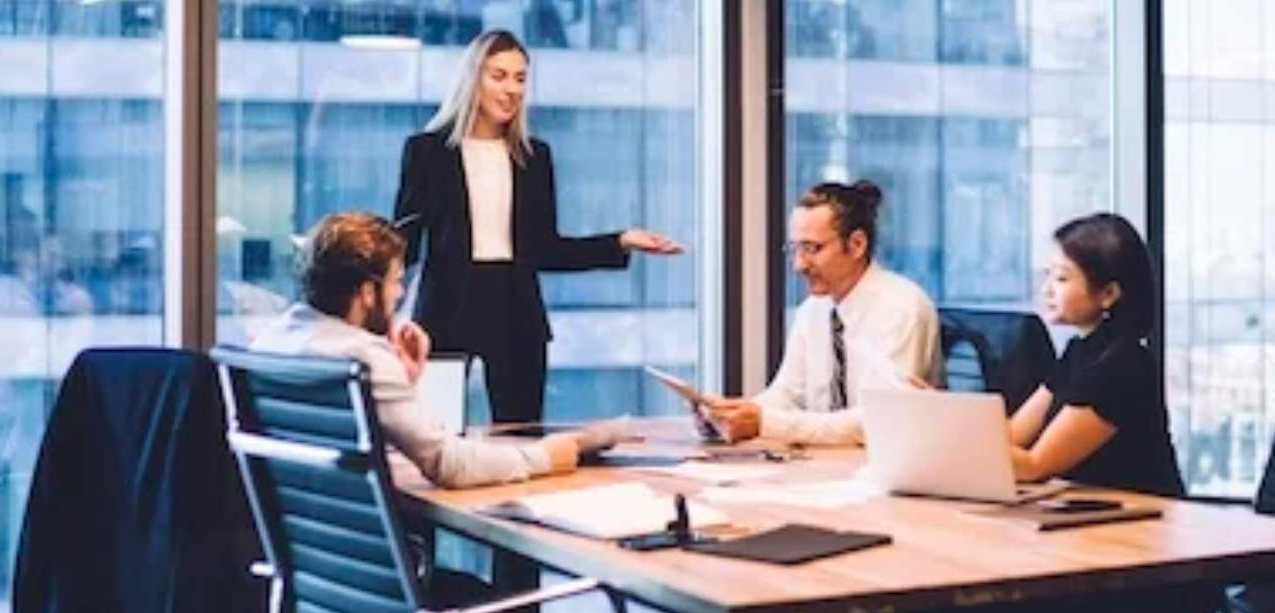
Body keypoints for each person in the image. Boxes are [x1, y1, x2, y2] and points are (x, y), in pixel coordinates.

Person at [393, 29, 682, 424]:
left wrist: (621, 241)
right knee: (434, 431)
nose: (511, 89)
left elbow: (546, 248)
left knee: (520, 433)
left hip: (515, 308)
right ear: (473, 79)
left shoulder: (534, 157)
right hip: (444, 310)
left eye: (520, 78)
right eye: (499, 76)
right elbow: (404, 243)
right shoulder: (426, 152)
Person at [250, 211, 618, 490]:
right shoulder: (363, 360)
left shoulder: (271, 341)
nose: (399, 295)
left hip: (313, 567)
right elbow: (448, 464)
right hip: (380, 578)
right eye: (395, 282)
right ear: (366, 292)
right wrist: (544, 456)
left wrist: (406, 379)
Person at [999, 212, 1210, 613]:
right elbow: (1013, 435)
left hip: (1148, 558)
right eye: (1048, 276)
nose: (1047, 288)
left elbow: (1035, 463)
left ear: (1109, 293)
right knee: (989, 579)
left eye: (1061, 277)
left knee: (996, 594)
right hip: (1099, 532)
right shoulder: (1082, 349)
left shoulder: (1122, 365)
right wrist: (943, 424)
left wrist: (950, 441)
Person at [702, 180, 944, 446]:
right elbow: (787, 395)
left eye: (812, 249)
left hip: (893, 472)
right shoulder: (814, 310)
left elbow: (879, 422)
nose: (798, 265)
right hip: (827, 467)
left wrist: (764, 423)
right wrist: (728, 416)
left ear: (856, 245)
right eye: (795, 249)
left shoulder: (901, 309)